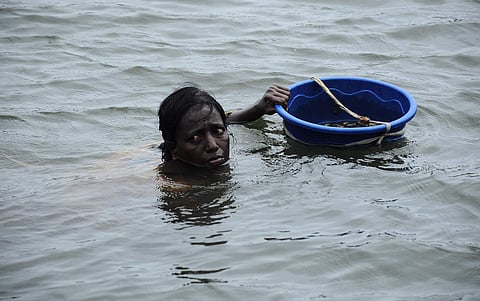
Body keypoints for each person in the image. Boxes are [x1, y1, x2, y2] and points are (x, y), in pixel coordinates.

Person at [157, 84, 290, 172]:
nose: (212, 146)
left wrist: (258, 109)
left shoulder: (217, 126)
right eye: (195, 138)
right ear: (173, 146)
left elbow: (227, 120)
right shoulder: (174, 187)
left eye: (218, 131)